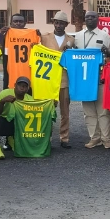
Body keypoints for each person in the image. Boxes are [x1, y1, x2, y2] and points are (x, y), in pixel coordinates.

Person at [73, 10, 110, 149]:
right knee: (89, 111)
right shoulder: (77, 37)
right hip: (84, 80)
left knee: (103, 110)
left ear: (98, 19)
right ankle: (94, 138)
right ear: (85, 19)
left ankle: (106, 138)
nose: (90, 19)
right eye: (87, 17)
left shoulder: (105, 36)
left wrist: (107, 52)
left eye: (93, 17)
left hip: (100, 77)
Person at [39, 11, 75, 148]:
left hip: (64, 80)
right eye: (57, 22)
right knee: (48, 110)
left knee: (65, 111)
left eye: (62, 23)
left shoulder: (71, 40)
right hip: (48, 79)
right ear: (53, 23)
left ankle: (64, 137)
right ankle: (46, 136)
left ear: (66, 25)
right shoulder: (44, 38)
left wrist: (71, 50)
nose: (59, 25)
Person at [0, 76, 34, 159]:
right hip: (3, 122)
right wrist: (2, 102)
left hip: (18, 125)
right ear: (15, 85)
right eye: (20, 85)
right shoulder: (5, 93)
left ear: (28, 89)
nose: (22, 88)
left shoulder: (30, 100)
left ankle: (12, 139)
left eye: (25, 86)